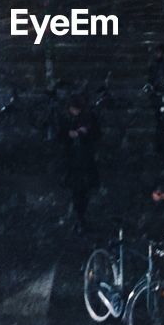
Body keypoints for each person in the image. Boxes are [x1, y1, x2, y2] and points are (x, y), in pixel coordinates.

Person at [58, 95, 100, 232]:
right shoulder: (68, 118)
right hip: (76, 161)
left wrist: (84, 133)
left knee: (81, 191)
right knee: (79, 192)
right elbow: (61, 135)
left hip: (82, 161)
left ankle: (80, 217)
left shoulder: (87, 118)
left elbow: (95, 133)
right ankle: (80, 218)